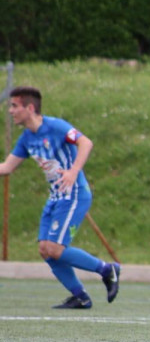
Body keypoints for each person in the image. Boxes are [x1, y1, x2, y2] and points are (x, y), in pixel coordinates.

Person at [0, 86, 120, 309]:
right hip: (56, 197)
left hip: (74, 194)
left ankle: (106, 270)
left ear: (30, 107)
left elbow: (86, 142)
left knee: (55, 248)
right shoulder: (27, 138)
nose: (10, 111)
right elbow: (7, 167)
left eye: (14, 106)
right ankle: (80, 296)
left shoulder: (55, 126)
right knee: (45, 250)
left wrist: (73, 172)